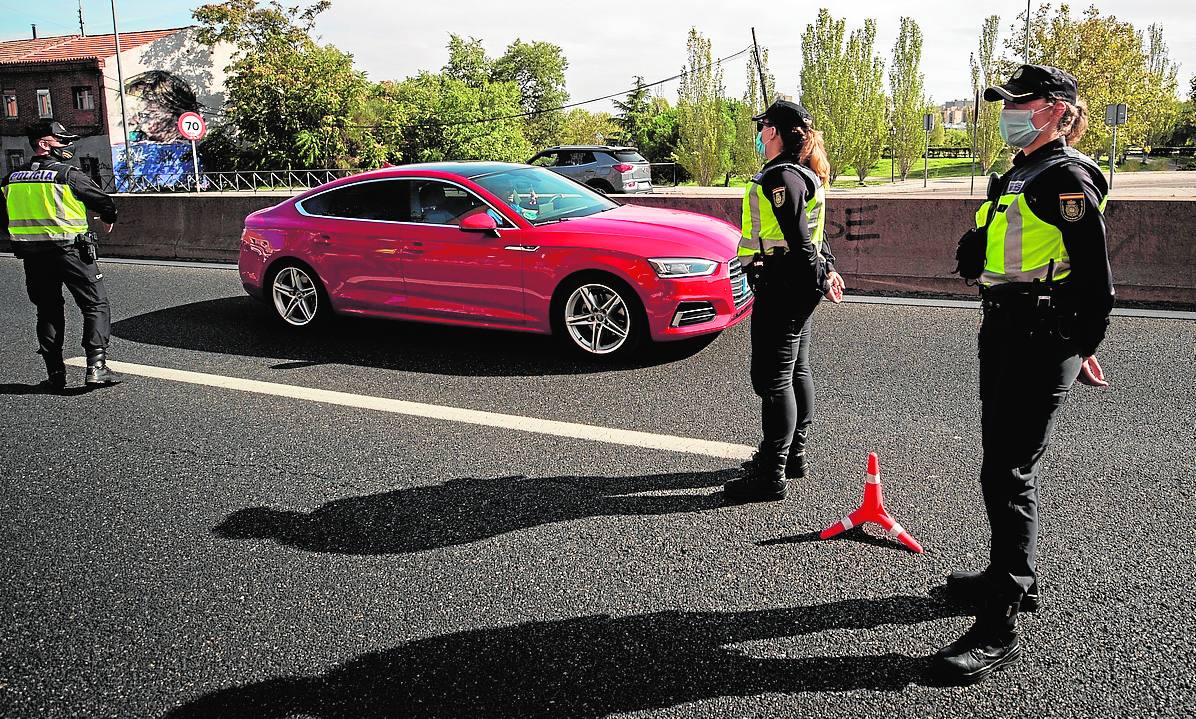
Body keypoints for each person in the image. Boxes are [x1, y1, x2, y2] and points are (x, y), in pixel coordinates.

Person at [933, 65, 1113, 683]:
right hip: (1005, 323)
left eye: (1023, 102)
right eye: (1006, 102)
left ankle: (999, 622)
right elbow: (1015, 239)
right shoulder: (1016, 174)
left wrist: (1081, 342)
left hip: (1040, 333)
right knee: (999, 458)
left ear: (1058, 110)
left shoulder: (1067, 178)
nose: (1010, 111)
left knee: (1007, 469)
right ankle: (1009, 576)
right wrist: (976, 243)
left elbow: (1096, 279)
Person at [722, 99, 845, 504]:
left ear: (773, 132)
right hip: (796, 282)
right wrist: (825, 271)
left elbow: (798, 239)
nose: (760, 135)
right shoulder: (803, 173)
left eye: (763, 128)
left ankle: (771, 474)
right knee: (796, 370)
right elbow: (815, 236)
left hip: (783, 282)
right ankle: (794, 456)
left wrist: (816, 276)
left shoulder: (782, 178)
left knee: (772, 378)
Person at [1, 120, 121, 389]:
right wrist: (107, 216)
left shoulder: (10, 180)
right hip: (72, 251)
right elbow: (103, 200)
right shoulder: (67, 175)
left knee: (48, 310)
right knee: (95, 304)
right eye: (62, 141)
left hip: (32, 256)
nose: (68, 146)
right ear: (44, 144)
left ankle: (55, 374)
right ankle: (96, 367)